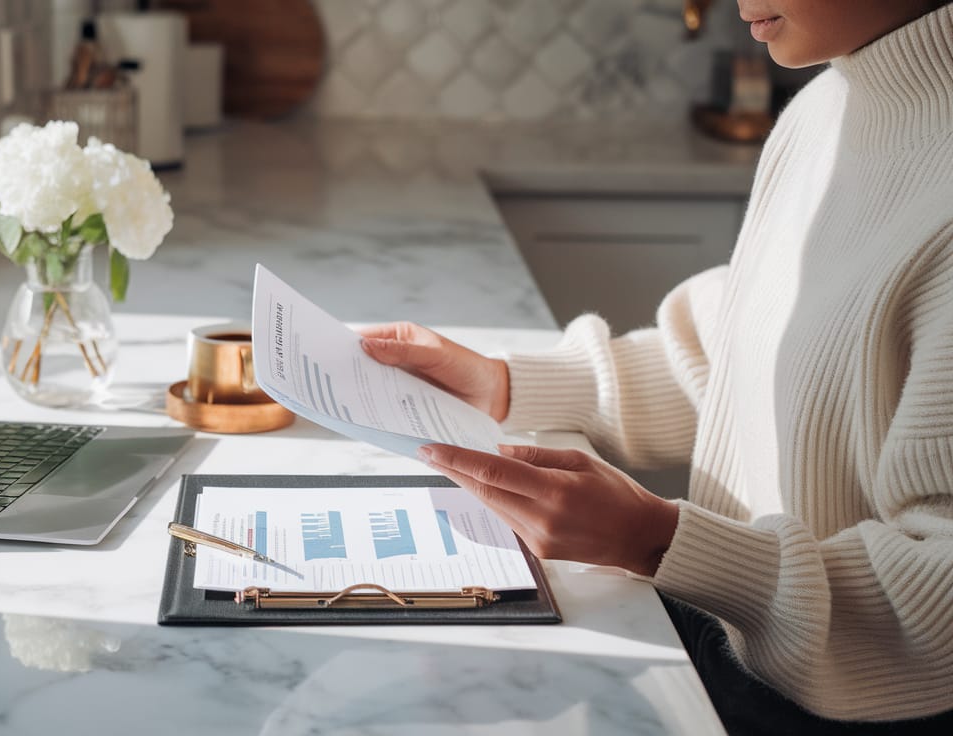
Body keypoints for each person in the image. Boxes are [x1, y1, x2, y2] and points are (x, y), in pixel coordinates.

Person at [360, 1, 953, 732]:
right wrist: (506, 382)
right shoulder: (827, 105)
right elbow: (744, 353)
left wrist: (657, 540)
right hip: (731, 649)